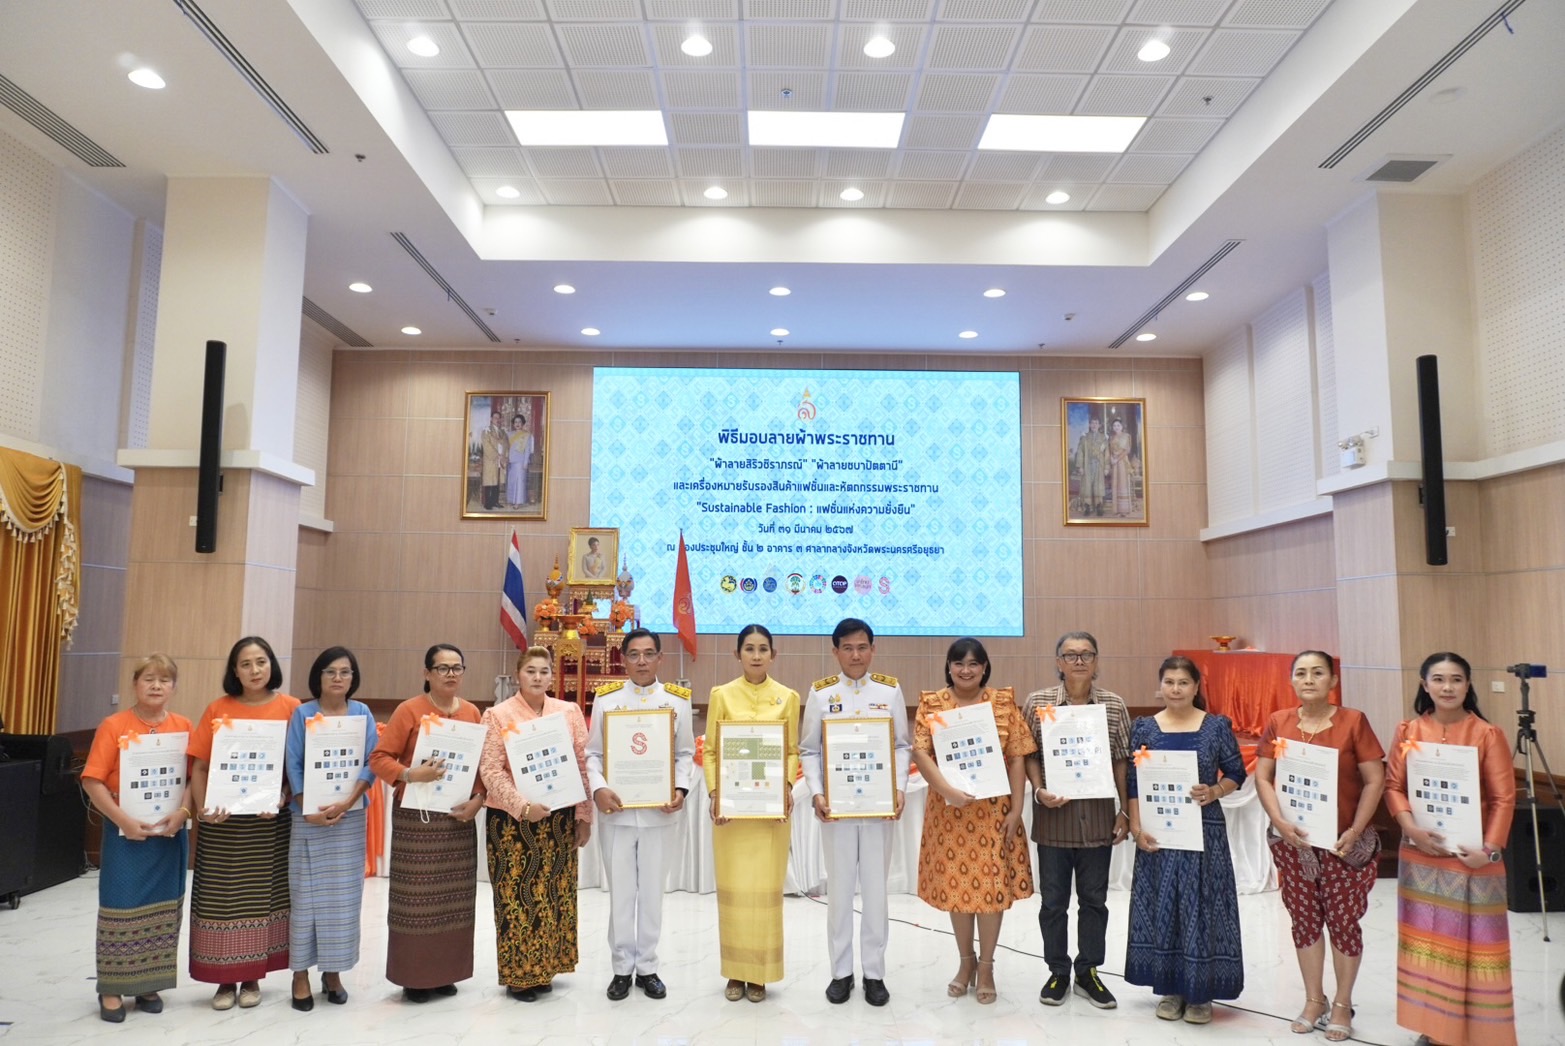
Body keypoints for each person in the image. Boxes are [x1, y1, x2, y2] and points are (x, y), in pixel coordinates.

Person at [1384, 652, 1517, 1046]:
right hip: (1421, 855)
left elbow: (1503, 799)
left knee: (1476, 949)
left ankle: (1476, 1034)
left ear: (1468, 685)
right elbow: (1393, 787)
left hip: (1473, 860)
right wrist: (1411, 828)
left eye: (1456, 679)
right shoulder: (1408, 731)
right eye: (1438, 679)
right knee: (1427, 945)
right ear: (1424, 685)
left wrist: (1489, 850)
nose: (1447, 687)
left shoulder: (1486, 734)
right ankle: (1434, 1028)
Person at [1254, 650, 1385, 1042]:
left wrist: (1357, 829)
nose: (1308, 679)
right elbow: (1263, 777)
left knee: (1343, 922)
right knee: (1305, 921)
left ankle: (1343, 1003)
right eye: (1301, 673)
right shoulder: (1280, 722)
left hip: (1343, 843)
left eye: (1317, 673)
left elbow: (1374, 780)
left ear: (1333, 681)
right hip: (1294, 843)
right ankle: (1315, 999)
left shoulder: (1353, 722)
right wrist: (1278, 820)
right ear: (1291, 681)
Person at [912, 637, 1035, 1006]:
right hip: (950, 812)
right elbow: (921, 750)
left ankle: (986, 966)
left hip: (993, 812)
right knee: (957, 889)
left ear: (985, 667)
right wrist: (947, 790)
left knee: (991, 890)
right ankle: (964, 964)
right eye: (958, 663)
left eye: (974, 664)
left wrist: (1016, 809)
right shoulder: (932, 703)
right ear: (948, 666)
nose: (966, 670)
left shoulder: (1001, 703)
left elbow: (1016, 757)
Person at [1125, 655, 1245, 1024]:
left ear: (1196, 687)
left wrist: (1214, 791)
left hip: (1204, 832)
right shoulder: (1143, 727)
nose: (1175, 689)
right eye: (1169, 682)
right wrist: (1135, 827)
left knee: (1201, 906)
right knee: (1165, 907)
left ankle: (1201, 994)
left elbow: (1237, 773)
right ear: (1159, 685)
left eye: (1183, 683)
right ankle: (1171, 989)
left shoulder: (1216, 726)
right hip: (1159, 834)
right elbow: (1133, 782)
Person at [799, 618, 912, 1007]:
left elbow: (901, 745)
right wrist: (816, 793)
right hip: (838, 809)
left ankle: (874, 973)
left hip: (879, 808)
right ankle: (841, 972)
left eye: (862, 647)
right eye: (847, 648)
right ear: (835, 653)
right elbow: (809, 750)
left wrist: (897, 788)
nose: (856, 655)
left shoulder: (889, 690)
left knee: (877, 892)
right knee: (841, 890)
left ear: (873, 649)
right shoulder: (820, 694)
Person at [368, 643, 486, 1003]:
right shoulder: (410, 710)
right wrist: (409, 773)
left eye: (457, 667)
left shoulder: (472, 713)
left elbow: (481, 766)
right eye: (442, 668)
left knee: (454, 900)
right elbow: (379, 758)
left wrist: (478, 801)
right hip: (416, 821)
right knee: (415, 902)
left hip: (456, 820)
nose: (451, 674)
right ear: (427, 674)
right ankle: (416, 976)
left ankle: (445, 971)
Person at [80, 654, 195, 1022]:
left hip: (169, 834)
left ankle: (148, 983)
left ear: (174, 687)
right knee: (120, 907)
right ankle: (111, 988)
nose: (156, 686)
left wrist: (184, 812)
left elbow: (194, 778)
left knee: (164, 907)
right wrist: (124, 821)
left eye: (164, 679)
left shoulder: (183, 726)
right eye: (149, 679)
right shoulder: (114, 725)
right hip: (125, 833)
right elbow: (92, 780)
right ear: (135, 684)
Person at [187, 636, 300, 1010]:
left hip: (269, 822)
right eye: (246, 664)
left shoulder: (290, 707)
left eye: (261, 662)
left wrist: (282, 795)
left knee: (260, 898)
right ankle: (222, 981)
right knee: (221, 900)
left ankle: (251, 976)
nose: (255, 670)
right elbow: (200, 766)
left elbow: (294, 766)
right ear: (234, 671)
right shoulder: (218, 708)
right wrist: (204, 808)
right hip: (223, 823)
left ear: (272, 665)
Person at [584, 629, 695, 1001]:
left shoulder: (677, 701)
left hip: (658, 814)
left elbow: (684, 755)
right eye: (634, 655)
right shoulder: (607, 699)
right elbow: (593, 754)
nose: (642, 661)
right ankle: (620, 968)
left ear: (660, 658)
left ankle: (647, 967)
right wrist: (598, 787)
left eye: (649, 654)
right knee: (621, 894)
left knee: (651, 894)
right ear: (623, 659)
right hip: (616, 812)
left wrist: (679, 789)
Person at [1022, 631, 1131, 1009]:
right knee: (1053, 903)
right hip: (1054, 820)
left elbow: (1121, 760)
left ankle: (1088, 972)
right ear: (1058, 662)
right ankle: (1057, 971)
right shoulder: (1038, 703)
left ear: (1097, 661)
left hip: (1099, 821)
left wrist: (1125, 810)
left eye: (1086, 655)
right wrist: (1038, 791)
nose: (1079, 661)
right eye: (1070, 655)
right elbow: (1028, 754)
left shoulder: (1114, 706)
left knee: (1095, 901)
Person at [479, 646, 592, 1001]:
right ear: (518, 675)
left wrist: (584, 814)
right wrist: (522, 806)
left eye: (544, 671)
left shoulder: (568, 712)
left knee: (554, 893)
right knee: (519, 895)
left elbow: (582, 764)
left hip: (558, 818)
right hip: (513, 821)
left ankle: (546, 967)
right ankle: (520, 974)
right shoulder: (497, 715)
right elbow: (491, 770)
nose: (538, 677)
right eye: (531, 671)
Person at [705, 624, 801, 1003]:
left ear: (773, 655)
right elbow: (712, 750)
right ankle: (734, 972)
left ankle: (758, 973)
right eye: (749, 648)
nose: (756, 655)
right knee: (735, 890)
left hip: (770, 815)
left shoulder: (788, 698)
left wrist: (788, 787)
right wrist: (715, 792)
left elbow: (792, 749)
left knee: (764, 891)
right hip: (732, 814)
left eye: (763, 649)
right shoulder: (721, 695)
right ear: (737, 654)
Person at [283, 646, 378, 1011]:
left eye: (346, 672)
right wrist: (308, 805)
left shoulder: (362, 713)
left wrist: (350, 799)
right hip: (308, 816)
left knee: (343, 899)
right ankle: (300, 974)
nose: (338, 678)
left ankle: (334, 972)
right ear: (318, 677)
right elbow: (293, 761)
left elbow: (372, 761)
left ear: (353, 679)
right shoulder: (302, 713)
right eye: (330, 672)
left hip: (349, 817)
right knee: (305, 897)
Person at [1072, 415, 1109, 517]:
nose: (1094, 425)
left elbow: (1107, 453)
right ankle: (1087, 506)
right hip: (1087, 465)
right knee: (1087, 486)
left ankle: (1099, 506)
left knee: (1098, 486)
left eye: (1096, 423)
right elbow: (1080, 452)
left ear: (1099, 425)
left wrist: (1106, 467)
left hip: (1099, 465)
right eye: (1092, 423)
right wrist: (1080, 466)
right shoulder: (1084, 437)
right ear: (1089, 425)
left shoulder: (1103, 438)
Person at [1107, 416, 1136, 518]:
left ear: (1122, 426)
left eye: (1118, 425)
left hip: (1122, 462)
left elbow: (1127, 450)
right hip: (1114, 463)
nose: (1116, 427)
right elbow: (1110, 450)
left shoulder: (1126, 436)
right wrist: (1111, 458)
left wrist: (1117, 459)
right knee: (1115, 484)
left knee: (1123, 484)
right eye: (1114, 426)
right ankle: (1117, 509)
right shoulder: (1111, 437)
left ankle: (1124, 510)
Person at [479, 409, 507, 510]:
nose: (497, 420)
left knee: (497, 481)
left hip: (500, 460)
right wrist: (496, 455)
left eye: (499, 418)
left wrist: (503, 455)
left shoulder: (502, 432)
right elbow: (486, 445)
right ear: (491, 419)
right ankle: (488, 503)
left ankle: (495, 501)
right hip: (491, 460)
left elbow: (506, 444)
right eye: (495, 418)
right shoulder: (486, 431)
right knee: (489, 481)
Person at [506, 414, 531, 508]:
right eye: (515, 422)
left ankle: (518, 502)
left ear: (523, 423)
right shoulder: (509, 434)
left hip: (520, 462)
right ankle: (512, 499)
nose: (517, 424)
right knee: (511, 481)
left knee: (519, 482)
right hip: (511, 461)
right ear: (513, 424)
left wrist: (525, 463)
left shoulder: (526, 435)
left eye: (519, 422)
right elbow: (506, 448)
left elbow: (527, 450)